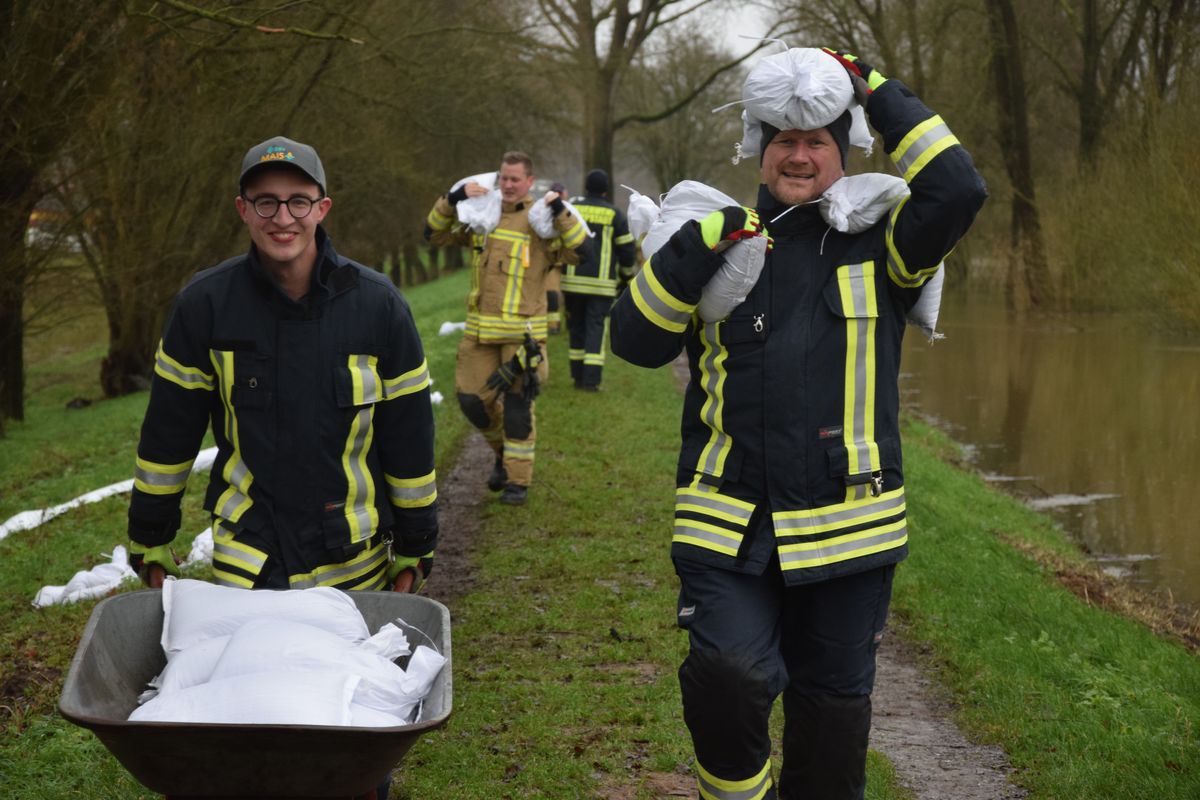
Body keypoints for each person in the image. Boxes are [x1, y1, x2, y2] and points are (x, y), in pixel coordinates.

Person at [610, 50, 987, 799]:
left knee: (832, 722)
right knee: (725, 674)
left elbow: (957, 187)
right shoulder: (720, 242)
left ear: (843, 150)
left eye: (818, 139)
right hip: (728, 520)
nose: (801, 152)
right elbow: (636, 343)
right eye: (784, 138)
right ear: (759, 147)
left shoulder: (886, 246)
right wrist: (692, 252)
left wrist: (874, 87)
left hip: (852, 527)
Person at [127, 136, 438, 598]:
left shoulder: (379, 307)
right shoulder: (205, 305)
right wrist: (150, 534)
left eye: (298, 201)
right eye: (266, 202)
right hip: (250, 566)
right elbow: (169, 433)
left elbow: (409, 436)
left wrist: (417, 541)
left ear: (322, 208)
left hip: (353, 565)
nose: (283, 218)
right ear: (243, 209)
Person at [424, 152, 587, 505]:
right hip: (480, 334)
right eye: (505, 178)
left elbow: (580, 251)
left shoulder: (541, 221)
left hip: (523, 339)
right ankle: (501, 454)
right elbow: (434, 235)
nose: (509, 185)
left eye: (516, 179)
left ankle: (517, 482)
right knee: (471, 401)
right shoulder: (483, 215)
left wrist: (561, 212)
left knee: (517, 408)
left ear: (530, 182)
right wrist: (452, 199)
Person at [563, 169, 636, 391]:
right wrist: (625, 276)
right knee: (595, 329)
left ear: (585, 186)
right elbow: (627, 250)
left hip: (572, 282)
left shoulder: (573, 209)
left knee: (576, 328)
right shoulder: (615, 214)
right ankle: (591, 381)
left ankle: (577, 377)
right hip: (602, 286)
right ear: (606, 189)